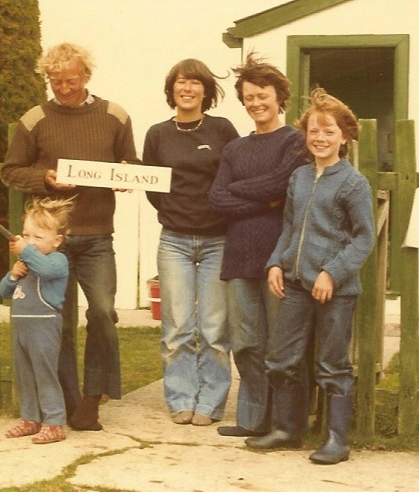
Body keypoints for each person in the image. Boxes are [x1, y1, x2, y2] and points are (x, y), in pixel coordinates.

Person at [1, 42, 139, 431]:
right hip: (48, 242)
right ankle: (65, 400)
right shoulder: (34, 119)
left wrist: (126, 176)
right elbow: (11, 172)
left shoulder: (115, 115)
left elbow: (132, 163)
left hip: (96, 237)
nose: (62, 88)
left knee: (102, 313)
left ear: (87, 76)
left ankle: (93, 398)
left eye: (71, 81)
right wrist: (43, 178)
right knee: (55, 320)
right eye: (55, 81)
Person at [245, 88, 375, 464]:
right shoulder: (299, 178)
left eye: (329, 132)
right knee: (281, 358)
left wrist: (331, 274)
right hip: (297, 285)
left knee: (332, 365)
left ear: (344, 137)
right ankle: (287, 429)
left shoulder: (353, 184)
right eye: (314, 132)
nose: (320, 138)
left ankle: (337, 440)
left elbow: (363, 238)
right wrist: (275, 263)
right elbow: (288, 227)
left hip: (336, 289)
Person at [209, 53, 308, 437]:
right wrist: (260, 199)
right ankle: (252, 419)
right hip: (238, 258)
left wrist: (240, 191)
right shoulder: (235, 148)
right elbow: (217, 199)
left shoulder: (294, 141)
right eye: (249, 96)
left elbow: (283, 184)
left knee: (280, 346)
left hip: (277, 258)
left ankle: (283, 424)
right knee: (246, 343)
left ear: (278, 95)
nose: (256, 102)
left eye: (262, 94)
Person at [142, 59, 239, 426]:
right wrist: (174, 210)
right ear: (172, 89)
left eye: (195, 82)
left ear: (206, 91)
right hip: (175, 241)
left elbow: (236, 173)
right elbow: (154, 186)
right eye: (181, 82)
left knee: (214, 329)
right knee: (177, 327)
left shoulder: (222, 129)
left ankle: (211, 402)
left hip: (218, 240)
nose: (188, 88)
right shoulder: (157, 134)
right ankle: (181, 397)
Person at [0, 196, 75, 444]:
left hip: (43, 327)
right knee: (25, 374)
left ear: (57, 240)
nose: (29, 242)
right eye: (26, 235)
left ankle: (54, 422)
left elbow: (47, 270)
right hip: (22, 328)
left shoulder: (56, 261)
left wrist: (26, 253)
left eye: (38, 237)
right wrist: (12, 275)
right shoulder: (26, 262)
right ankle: (30, 418)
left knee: (44, 373)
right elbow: (4, 292)